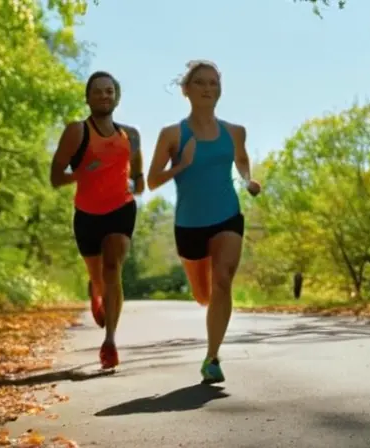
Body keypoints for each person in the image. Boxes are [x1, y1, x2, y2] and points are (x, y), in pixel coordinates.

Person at [146, 60, 261, 384]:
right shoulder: (172, 134)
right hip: (189, 224)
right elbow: (152, 181)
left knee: (222, 280)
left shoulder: (235, 132)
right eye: (200, 82)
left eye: (214, 83)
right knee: (203, 295)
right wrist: (181, 164)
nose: (208, 88)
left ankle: (212, 357)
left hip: (227, 215)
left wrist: (248, 181)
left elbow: (241, 159)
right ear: (186, 90)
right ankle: (206, 306)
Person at [49, 71, 145, 369]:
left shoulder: (130, 134)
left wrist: (137, 183)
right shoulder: (77, 132)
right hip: (87, 214)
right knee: (99, 275)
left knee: (113, 267)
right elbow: (56, 177)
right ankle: (96, 289)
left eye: (109, 91)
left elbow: (137, 171)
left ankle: (110, 341)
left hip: (121, 209)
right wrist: (82, 174)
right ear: (88, 98)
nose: (104, 96)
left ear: (116, 97)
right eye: (98, 91)